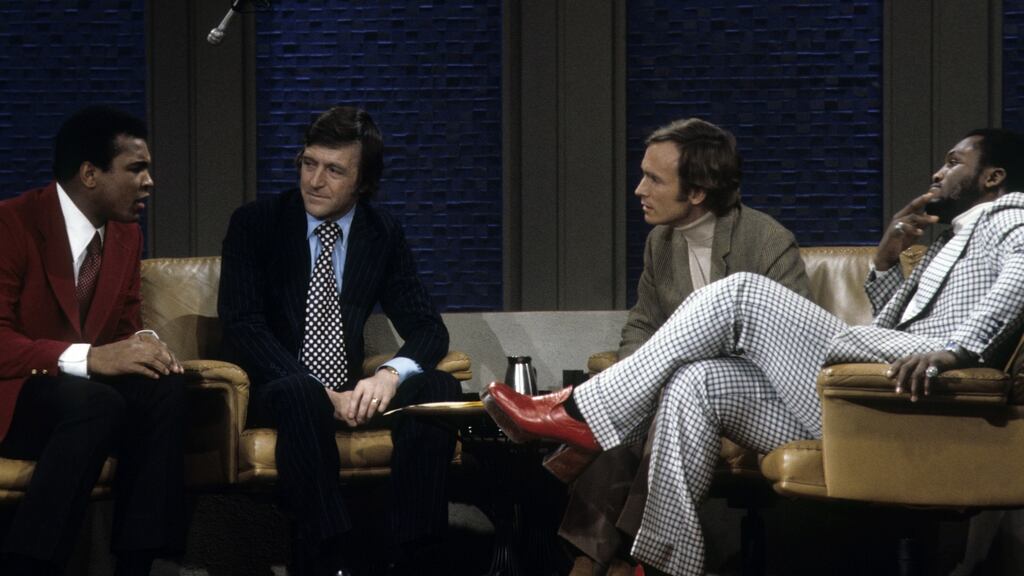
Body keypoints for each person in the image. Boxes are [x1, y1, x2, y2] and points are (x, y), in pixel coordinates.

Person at [484, 128, 1024, 575]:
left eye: (954, 162)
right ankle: (671, 564)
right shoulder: (947, 241)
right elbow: (888, 328)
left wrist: (959, 350)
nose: (937, 173)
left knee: (741, 291)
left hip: (923, 408)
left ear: (993, 176)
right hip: (873, 396)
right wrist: (886, 260)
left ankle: (582, 413)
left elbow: (1015, 284)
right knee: (695, 381)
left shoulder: (1012, 219)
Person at [556, 118, 809, 575]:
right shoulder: (661, 242)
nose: (638, 189)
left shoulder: (768, 241)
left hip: (754, 399)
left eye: (654, 178)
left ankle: (602, 560)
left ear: (696, 192)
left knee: (665, 394)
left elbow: (788, 351)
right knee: (636, 403)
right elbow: (641, 326)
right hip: (678, 396)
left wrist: (659, 376)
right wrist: (641, 375)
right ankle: (606, 560)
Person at [218, 105, 461, 576]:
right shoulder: (256, 224)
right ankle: (331, 554)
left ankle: (411, 553)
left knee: (438, 389)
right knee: (299, 392)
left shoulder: (381, 232)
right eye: (308, 164)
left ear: (364, 182)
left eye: (334, 170)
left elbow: (429, 328)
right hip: (278, 386)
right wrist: (317, 388)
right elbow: (242, 323)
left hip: (352, 390)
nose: (315, 180)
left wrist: (389, 376)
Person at [0, 105, 186, 576]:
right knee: (96, 402)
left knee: (162, 388)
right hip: (21, 389)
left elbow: (124, 323)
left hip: (86, 393)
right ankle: (29, 564)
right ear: (89, 174)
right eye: (136, 168)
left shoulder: (126, 235)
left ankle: (137, 563)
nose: (150, 182)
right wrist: (92, 357)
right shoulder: (12, 224)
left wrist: (146, 344)